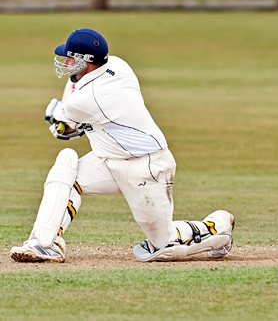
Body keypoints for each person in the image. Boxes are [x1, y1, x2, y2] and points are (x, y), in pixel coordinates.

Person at [10, 28, 234, 263]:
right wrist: (70, 122)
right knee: (67, 168)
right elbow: (77, 101)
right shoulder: (117, 65)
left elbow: (65, 121)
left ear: (85, 62)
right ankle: (45, 243)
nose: (65, 63)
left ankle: (219, 227)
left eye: (70, 58)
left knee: (163, 246)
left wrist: (59, 122)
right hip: (107, 160)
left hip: (147, 166)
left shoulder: (87, 100)